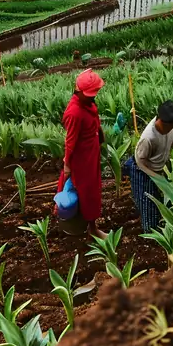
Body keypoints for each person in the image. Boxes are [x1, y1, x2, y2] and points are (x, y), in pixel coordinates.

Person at [56, 70, 107, 236]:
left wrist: (99, 133)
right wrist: (67, 165)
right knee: (85, 194)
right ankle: (89, 229)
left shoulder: (88, 103)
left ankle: (91, 227)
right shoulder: (74, 113)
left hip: (91, 156)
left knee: (92, 191)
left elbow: (93, 122)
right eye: (91, 93)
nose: (94, 96)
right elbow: (70, 141)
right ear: (79, 91)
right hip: (81, 161)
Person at [129, 100, 173, 232]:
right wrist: (156, 177)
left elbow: (172, 136)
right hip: (142, 170)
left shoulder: (166, 127)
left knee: (160, 201)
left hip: (156, 169)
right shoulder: (148, 138)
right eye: (172, 126)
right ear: (163, 122)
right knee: (148, 204)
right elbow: (140, 161)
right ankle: (150, 235)